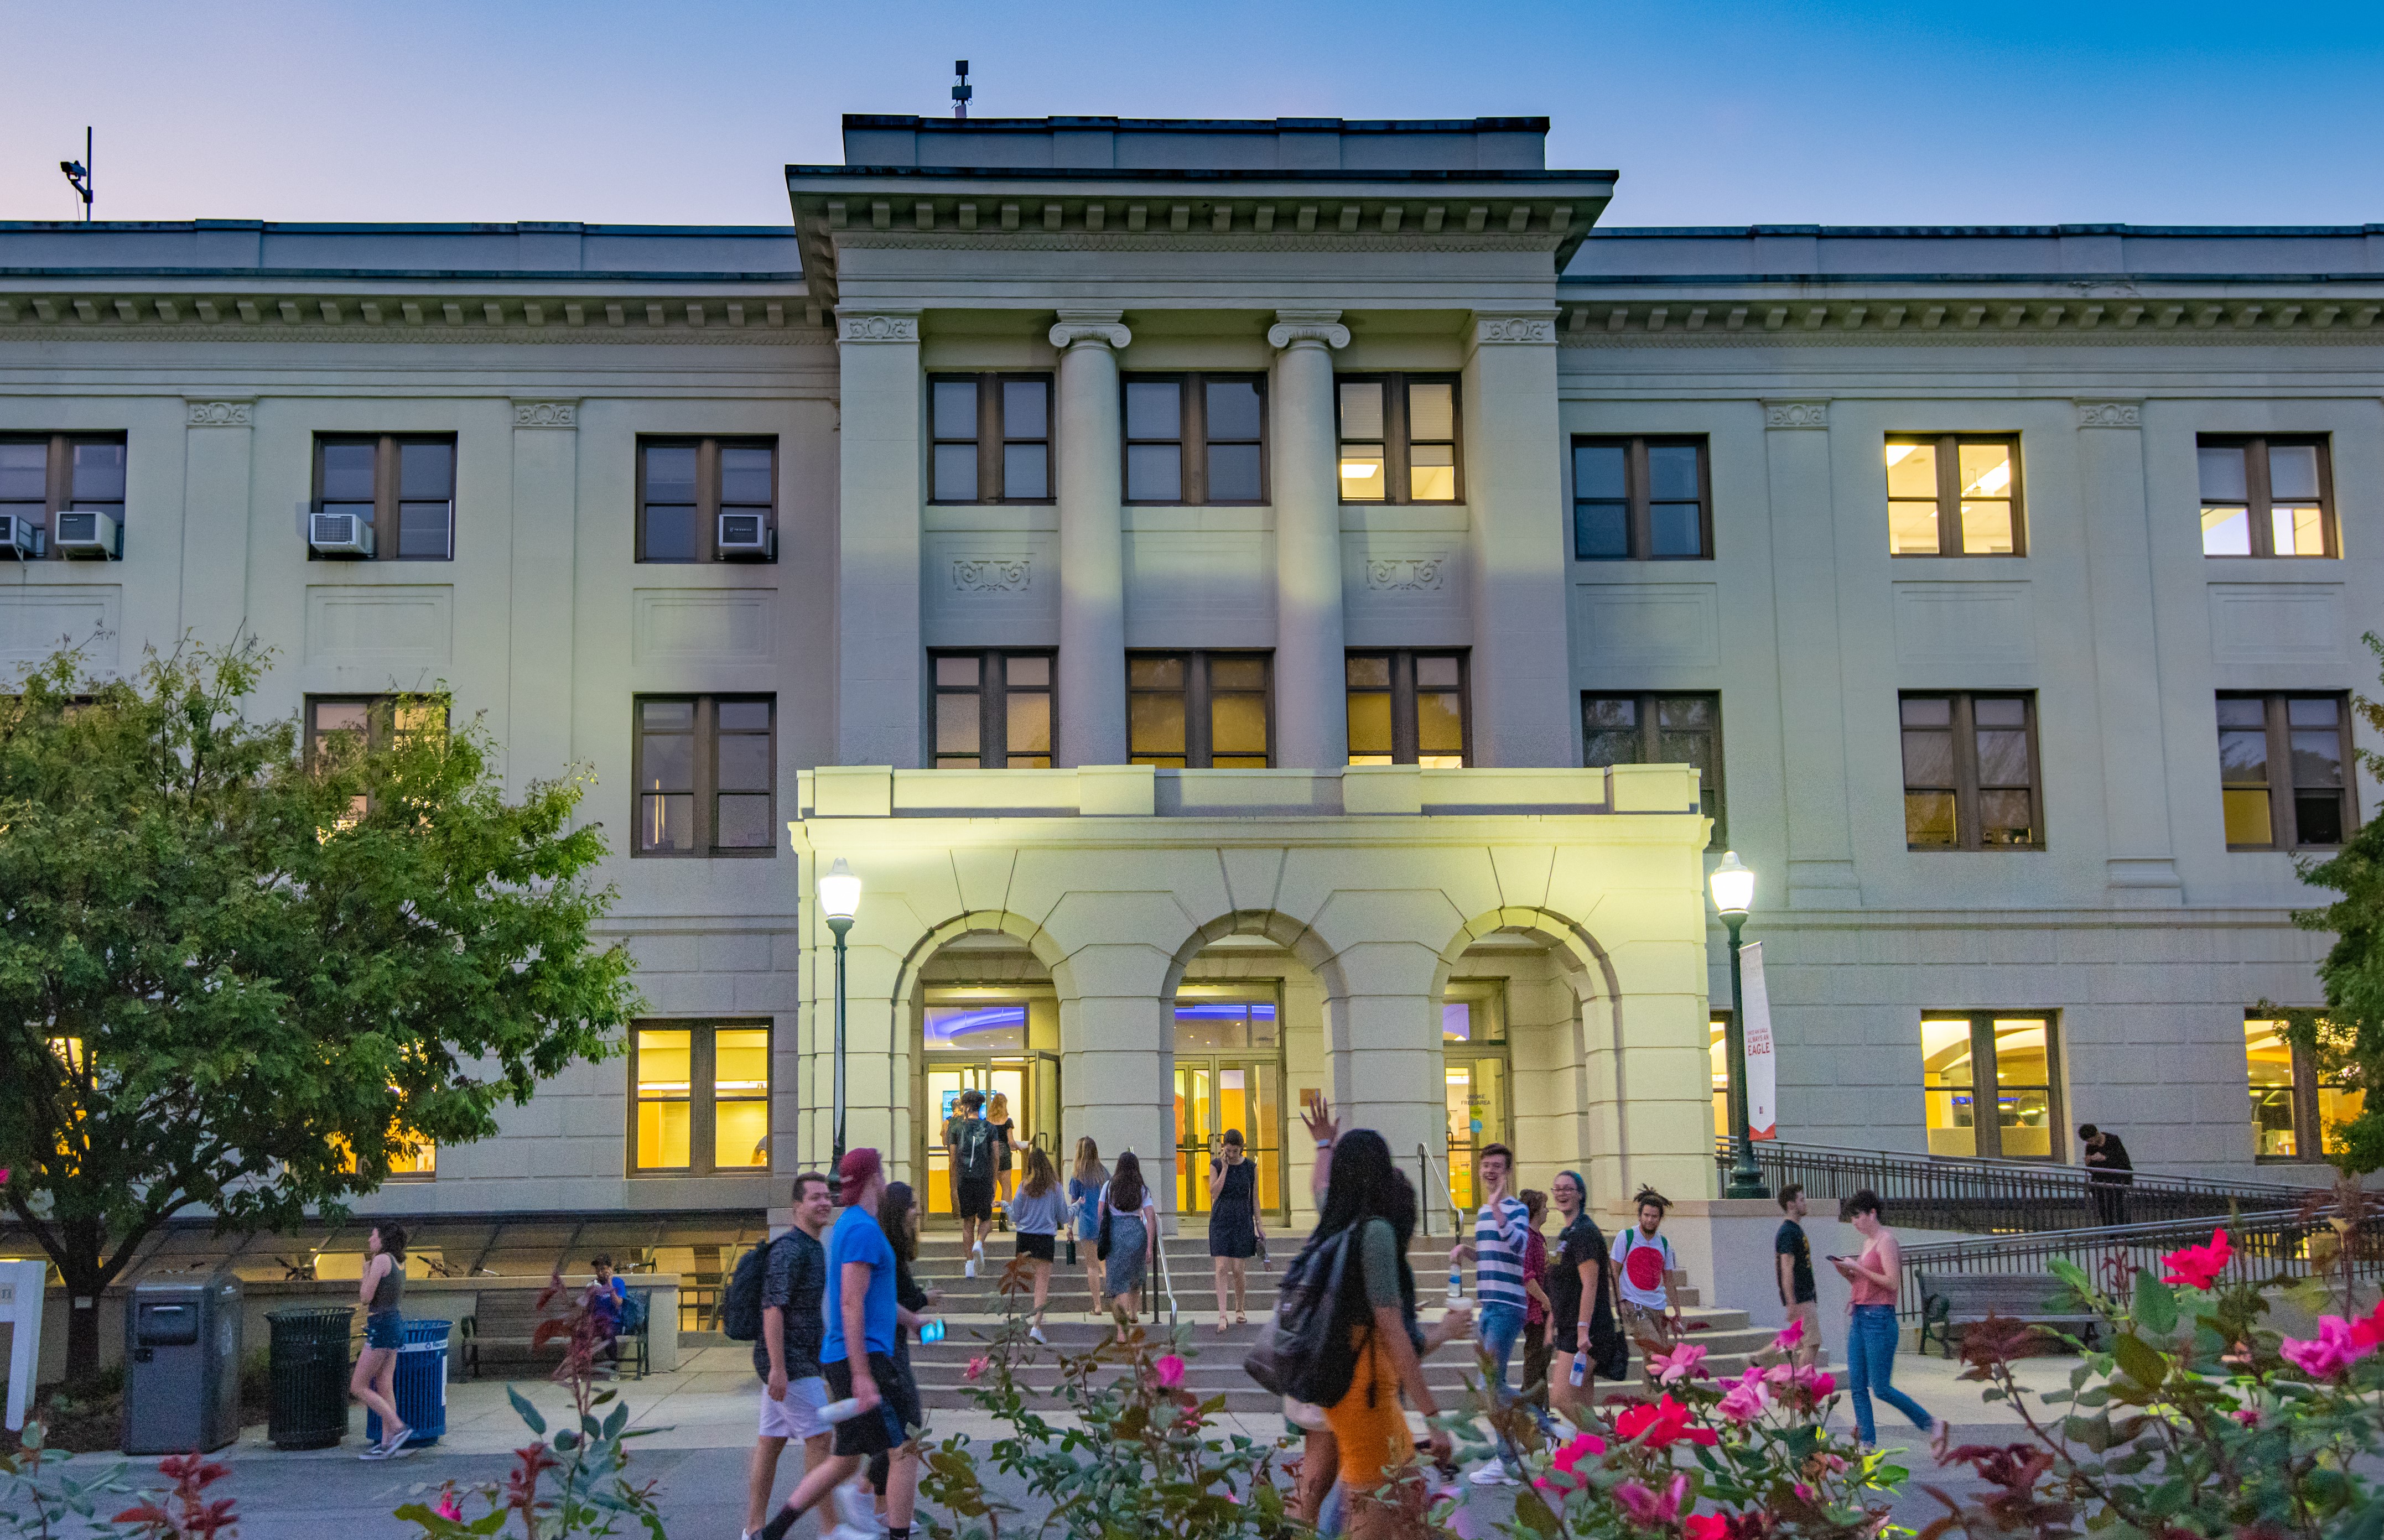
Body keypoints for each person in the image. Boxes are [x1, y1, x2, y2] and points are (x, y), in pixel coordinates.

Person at [759, 1149, 928, 1540]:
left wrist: (913, 1320)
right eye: (882, 1174)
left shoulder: (852, 1226)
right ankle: (899, 1535)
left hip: (849, 1354)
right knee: (905, 1448)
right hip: (865, 1357)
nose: (885, 1181)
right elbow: (850, 1303)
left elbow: (872, 1299)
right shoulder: (863, 1230)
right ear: (873, 1179)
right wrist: (861, 1375)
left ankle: (772, 1532)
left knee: (844, 1461)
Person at [1301, 1123, 1455, 1540]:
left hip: (1344, 1384)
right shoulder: (1376, 1233)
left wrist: (1323, 1144)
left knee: (1404, 1504)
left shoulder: (1337, 1223)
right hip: (1367, 1390)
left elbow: (1319, 1185)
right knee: (1374, 1504)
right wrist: (1433, 1417)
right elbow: (1392, 1331)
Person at [742, 1173, 838, 1540]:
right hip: (789, 1362)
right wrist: (779, 1368)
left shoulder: (813, 1247)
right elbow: (772, 1309)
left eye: (827, 1196)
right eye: (815, 1197)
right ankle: (830, 1530)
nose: (824, 1203)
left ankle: (753, 1529)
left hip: (799, 1359)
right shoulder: (790, 1249)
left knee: (770, 1441)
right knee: (819, 1439)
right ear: (796, 1206)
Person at [1448, 1141, 1529, 1486]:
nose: (1490, 1171)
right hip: (1488, 1306)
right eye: (1486, 1166)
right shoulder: (1483, 1212)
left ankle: (1512, 1453)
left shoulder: (1515, 1209)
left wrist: (1498, 1210)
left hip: (1508, 1307)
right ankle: (1511, 1456)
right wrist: (1467, 1252)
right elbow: (1494, 1256)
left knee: (1488, 1383)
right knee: (1492, 1384)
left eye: (1498, 1166)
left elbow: (1519, 1248)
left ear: (1508, 1172)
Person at [1831, 1189, 1934, 1450]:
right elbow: (1864, 1281)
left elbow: (1892, 1282)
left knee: (1881, 1387)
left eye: (1857, 1216)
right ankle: (1867, 1442)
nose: (1854, 1223)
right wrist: (1848, 1272)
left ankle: (1929, 1423)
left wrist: (1858, 1268)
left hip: (1879, 1318)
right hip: (1860, 1315)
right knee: (1857, 1385)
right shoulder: (1867, 1244)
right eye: (1851, 1218)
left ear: (1872, 1213)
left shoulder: (1887, 1241)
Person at [864, 1183, 943, 1525]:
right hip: (886, 1349)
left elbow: (901, 1297)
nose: (917, 1211)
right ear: (897, 1211)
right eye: (911, 1206)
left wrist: (920, 1307)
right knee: (907, 1425)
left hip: (892, 1343)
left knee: (896, 1428)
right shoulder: (888, 1252)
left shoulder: (892, 1250)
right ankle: (873, 1495)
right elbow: (888, 1299)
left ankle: (882, 1511)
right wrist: (921, 1308)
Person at [1545, 1169, 1619, 1420]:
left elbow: (1590, 1284)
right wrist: (1551, 1325)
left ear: (1581, 1194)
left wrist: (1582, 1330)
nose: (1562, 1193)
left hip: (1587, 1331)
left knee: (1561, 1399)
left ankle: (1609, 1444)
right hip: (1569, 1328)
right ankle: (1598, 1452)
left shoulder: (1585, 1233)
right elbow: (1562, 1287)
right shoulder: (1568, 1234)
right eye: (1557, 1189)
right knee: (1581, 1405)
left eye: (1568, 1189)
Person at [349, 1223, 413, 1460]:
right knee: (384, 1384)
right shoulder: (399, 1262)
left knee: (358, 1386)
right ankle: (388, 1444)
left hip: (381, 1328)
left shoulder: (380, 1261)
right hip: (395, 1325)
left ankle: (398, 1427)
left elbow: (365, 1297)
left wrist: (366, 1271)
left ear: (383, 1239)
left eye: (373, 1235)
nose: (369, 1240)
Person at [1611, 1187, 1682, 1355]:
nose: (1650, 1220)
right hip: (1634, 1304)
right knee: (1655, 1351)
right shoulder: (1626, 1237)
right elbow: (1613, 1270)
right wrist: (1619, 1301)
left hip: (1658, 1305)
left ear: (1660, 1218)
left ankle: (1652, 1383)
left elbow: (1669, 1280)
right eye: (1647, 1215)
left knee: (1659, 1358)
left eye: (1654, 1216)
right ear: (1640, 1216)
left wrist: (1677, 1312)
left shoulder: (1664, 1244)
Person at [1007, 1146, 1066, 1343]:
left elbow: (1016, 1215)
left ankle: (1033, 1319)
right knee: (1042, 1285)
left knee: (1030, 1281)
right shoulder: (1055, 1187)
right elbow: (1063, 1216)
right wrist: (1074, 1209)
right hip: (1044, 1239)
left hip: (1024, 1238)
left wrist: (1007, 1208)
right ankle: (1036, 1326)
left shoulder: (1023, 1186)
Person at [1207, 1128, 1263, 1334]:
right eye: (1228, 1151)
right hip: (1221, 1219)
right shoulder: (1217, 1165)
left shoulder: (1250, 1167)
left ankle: (1239, 1307)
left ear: (1241, 1149)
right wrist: (1226, 1169)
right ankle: (1223, 1314)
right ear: (1224, 1148)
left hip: (1242, 1219)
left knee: (1238, 1269)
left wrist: (1260, 1225)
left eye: (1235, 1151)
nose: (1231, 1155)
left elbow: (1254, 1198)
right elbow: (1214, 1192)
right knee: (1221, 1267)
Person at [1100, 1150, 1159, 1343]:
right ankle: (1134, 1313)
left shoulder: (1109, 1186)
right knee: (1136, 1274)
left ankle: (1121, 1330)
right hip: (1137, 1231)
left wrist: (1103, 1234)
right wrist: (1149, 1245)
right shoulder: (1142, 1189)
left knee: (1119, 1283)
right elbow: (1150, 1217)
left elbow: (1101, 1212)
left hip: (1116, 1233)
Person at [943, 1089, 996, 1278]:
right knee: (986, 1219)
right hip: (984, 1178)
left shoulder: (956, 1128)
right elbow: (995, 1156)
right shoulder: (990, 1128)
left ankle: (969, 1266)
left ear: (965, 1107)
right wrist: (994, 1180)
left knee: (967, 1223)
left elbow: (953, 1157)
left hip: (965, 1178)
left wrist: (955, 1181)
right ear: (980, 1107)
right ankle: (979, 1243)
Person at [1774, 1184, 1820, 1370]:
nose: (1805, 1203)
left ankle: (1758, 1358)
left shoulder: (1794, 1230)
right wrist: (1791, 1301)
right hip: (1800, 1296)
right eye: (1801, 1199)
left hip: (1804, 1295)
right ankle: (1802, 1388)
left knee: (1796, 1340)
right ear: (1791, 1205)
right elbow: (1786, 1268)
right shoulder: (1788, 1232)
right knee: (1812, 1343)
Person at [1519, 1189, 1553, 1410]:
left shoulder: (1538, 1237)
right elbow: (1527, 1275)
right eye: (1544, 1207)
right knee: (1535, 1361)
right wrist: (1544, 1299)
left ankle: (1542, 1410)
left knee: (1542, 1361)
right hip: (1534, 1310)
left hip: (1542, 1308)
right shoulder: (1528, 1239)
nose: (1548, 1210)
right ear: (1535, 1212)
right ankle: (1526, 1410)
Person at [1069, 1137, 1110, 1317]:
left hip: (1086, 1224)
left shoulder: (1077, 1176)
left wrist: (1069, 1227)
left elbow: (1074, 1204)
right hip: (1104, 1224)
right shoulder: (1104, 1173)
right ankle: (1118, 1302)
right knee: (1105, 1265)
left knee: (1092, 1266)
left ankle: (1098, 1306)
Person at [2081, 1124, 2134, 1226]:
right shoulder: (2090, 1147)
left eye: (2091, 1140)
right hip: (2101, 1180)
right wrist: (2089, 1164)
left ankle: (2125, 1231)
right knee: (2104, 1208)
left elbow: (2124, 1161)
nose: (2090, 1143)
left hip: (2117, 1179)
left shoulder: (2112, 1140)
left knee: (2118, 1206)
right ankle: (2110, 1231)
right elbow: (2092, 1169)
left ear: (2097, 1134)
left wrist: (2105, 1158)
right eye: (2088, 1141)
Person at [987, 1092, 1018, 1221]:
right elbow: (1011, 1142)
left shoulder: (988, 1121)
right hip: (1004, 1155)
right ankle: (1003, 1219)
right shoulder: (1007, 1121)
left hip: (991, 1155)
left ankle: (986, 1217)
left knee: (992, 1187)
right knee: (1006, 1188)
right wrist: (1019, 1147)